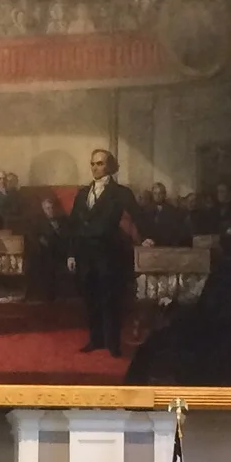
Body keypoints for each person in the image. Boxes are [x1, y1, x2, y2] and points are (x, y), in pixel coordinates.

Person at [67, 148, 137, 356]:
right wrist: (71, 253)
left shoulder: (121, 193)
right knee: (91, 299)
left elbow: (138, 217)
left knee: (110, 299)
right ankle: (95, 340)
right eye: (93, 164)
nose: (95, 168)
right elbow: (73, 226)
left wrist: (147, 237)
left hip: (108, 254)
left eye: (100, 163)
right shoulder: (82, 193)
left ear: (110, 166)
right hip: (85, 255)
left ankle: (113, 344)